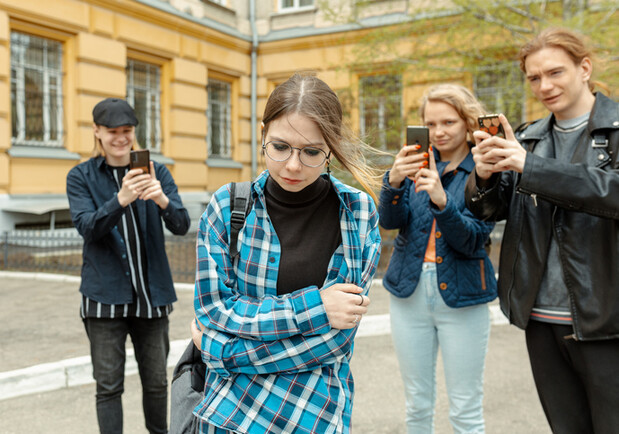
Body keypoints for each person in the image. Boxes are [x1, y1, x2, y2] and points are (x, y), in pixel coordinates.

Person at [189, 72, 382, 433]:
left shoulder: (357, 214)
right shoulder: (228, 206)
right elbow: (214, 313)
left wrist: (223, 353)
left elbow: (333, 342)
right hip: (229, 419)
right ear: (263, 134)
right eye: (280, 147)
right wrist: (316, 307)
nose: (293, 165)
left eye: (311, 152)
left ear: (331, 148)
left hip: (312, 416)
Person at [464, 27, 619, 433]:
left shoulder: (616, 132)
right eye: (534, 78)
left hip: (606, 319)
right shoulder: (529, 137)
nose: (544, 86)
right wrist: (483, 176)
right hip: (540, 318)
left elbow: (611, 193)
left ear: (584, 68)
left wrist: (529, 167)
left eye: (555, 73)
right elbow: (488, 211)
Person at [66, 98, 190, 433]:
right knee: (108, 388)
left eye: (127, 131)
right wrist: (120, 199)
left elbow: (181, 224)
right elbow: (88, 227)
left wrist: (162, 199)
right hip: (103, 299)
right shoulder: (80, 176)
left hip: (152, 297)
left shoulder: (158, 171)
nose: (121, 138)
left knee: (157, 384)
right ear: (97, 132)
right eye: (112, 132)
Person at [379, 84, 497, 433]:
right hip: (409, 292)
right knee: (417, 405)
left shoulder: (485, 170)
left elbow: (473, 239)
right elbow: (390, 223)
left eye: (448, 122)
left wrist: (443, 202)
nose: (439, 132)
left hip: (464, 297)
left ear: (467, 123)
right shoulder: (417, 164)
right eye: (430, 124)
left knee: (465, 409)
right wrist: (394, 180)